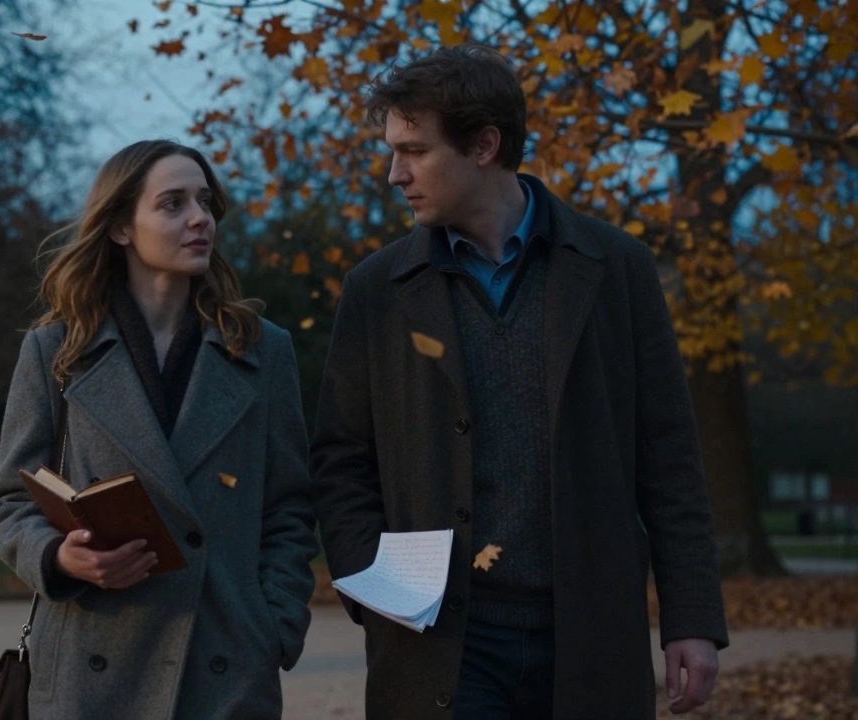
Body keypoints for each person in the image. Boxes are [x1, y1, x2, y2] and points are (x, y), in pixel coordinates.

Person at [310, 44, 728, 719]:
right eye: (393, 150)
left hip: (589, 634)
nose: (394, 174)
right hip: (441, 641)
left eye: (414, 150)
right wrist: (378, 592)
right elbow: (339, 461)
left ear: (483, 145)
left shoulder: (617, 268)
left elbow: (669, 456)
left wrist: (693, 617)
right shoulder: (376, 290)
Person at [0, 140, 318, 720]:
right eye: (172, 204)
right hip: (91, 663)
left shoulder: (263, 350)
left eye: (205, 202)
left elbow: (288, 508)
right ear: (120, 227)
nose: (199, 219)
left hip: (225, 666)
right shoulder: (57, 351)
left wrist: (274, 628)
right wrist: (60, 558)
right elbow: (10, 503)